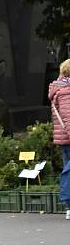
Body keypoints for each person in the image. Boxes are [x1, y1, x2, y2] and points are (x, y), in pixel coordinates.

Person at [49, 58, 70, 219]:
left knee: (67, 169)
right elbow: (67, 116)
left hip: (64, 138)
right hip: (68, 137)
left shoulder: (59, 89)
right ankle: (68, 203)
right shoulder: (66, 91)